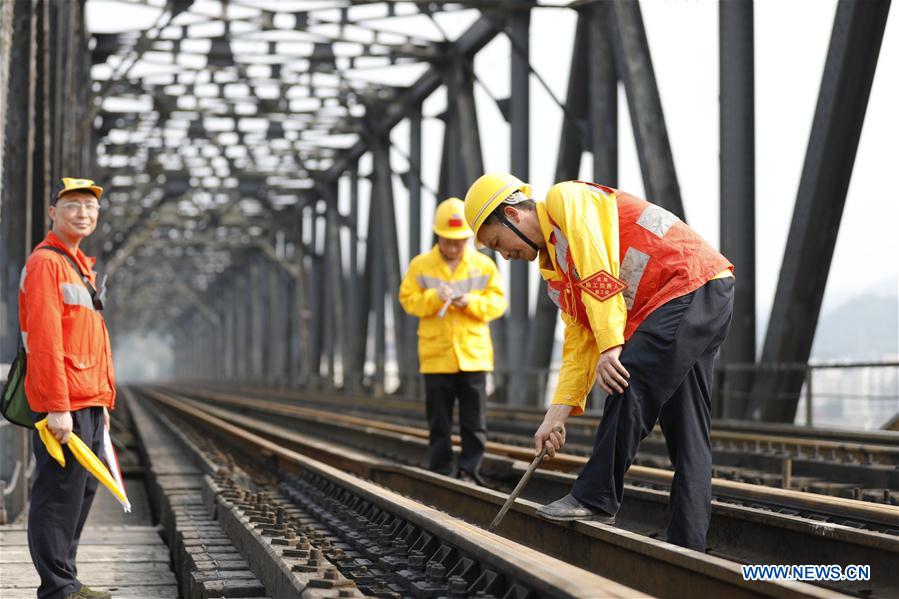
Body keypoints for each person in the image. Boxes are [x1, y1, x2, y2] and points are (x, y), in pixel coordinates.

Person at [463, 174, 733, 551]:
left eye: (497, 243)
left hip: (686, 281)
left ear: (512, 215)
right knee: (689, 436)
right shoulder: (556, 271)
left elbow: (596, 263)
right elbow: (578, 341)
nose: (504, 255)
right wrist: (555, 415)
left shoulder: (563, 200)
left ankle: (595, 498)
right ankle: (688, 546)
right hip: (700, 290)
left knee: (627, 380)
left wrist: (611, 346)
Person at [19, 177, 116, 599]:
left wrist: (104, 401)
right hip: (66, 403)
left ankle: (67, 581)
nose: (83, 213)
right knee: (58, 495)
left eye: (90, 207)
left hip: (88, 400)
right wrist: (57, 406)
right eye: (73, 205)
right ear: (53, 213)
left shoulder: (78, 265)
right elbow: (44, 340)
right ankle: (57, 588)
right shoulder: (47, 263)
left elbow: (88, 339)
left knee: (80, 493)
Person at [399, 197, 508, 484]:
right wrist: (435, 298)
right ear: (438, 236)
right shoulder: (421, 266)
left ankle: (469, 471)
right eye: (448, 240)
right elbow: (408, 301)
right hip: (437, 356)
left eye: (459, 241)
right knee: (439, 422)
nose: (453, 247)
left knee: (474, 422)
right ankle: (441, 471)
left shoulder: (483, 266)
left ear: (469, 238)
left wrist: (469, 302)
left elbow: (498, 304)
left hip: (473, 355)